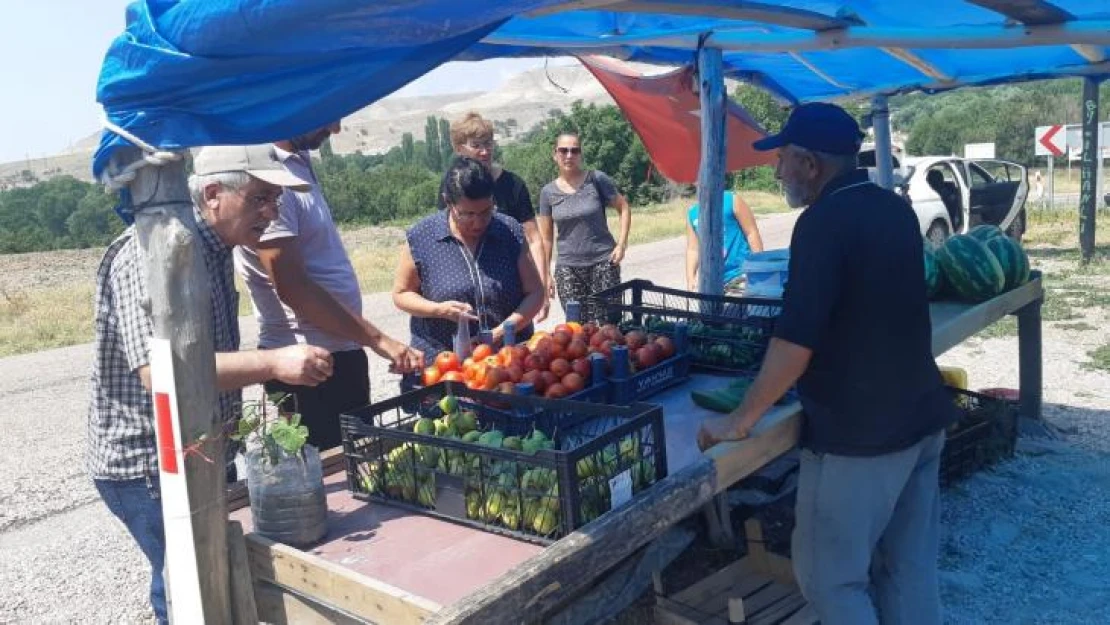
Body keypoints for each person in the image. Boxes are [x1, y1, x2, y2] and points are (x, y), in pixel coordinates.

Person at [696, 103, 959, 625]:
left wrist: (740, 419)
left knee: (830, 580)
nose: (777, 173)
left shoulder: (822, 222)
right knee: (907, 572)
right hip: (923, 417)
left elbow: (795, 344)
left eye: (785, 161)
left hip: (861, 437)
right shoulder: (894, 207)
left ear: (811, 165)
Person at [87, 144, 336, 625]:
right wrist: (273, 363)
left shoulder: (217, 248)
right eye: (260, 198)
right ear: (215, 194)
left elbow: (204, 354)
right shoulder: (152, 252)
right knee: (185, 584)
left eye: (275, 200)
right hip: (146, 460)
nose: (271, 212)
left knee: (210, 571)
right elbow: (161, 374)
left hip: (198, 446)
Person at [235, 123, 423, 451]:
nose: (335, 129)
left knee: (356, 463)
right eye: (330, 115)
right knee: (330, 471)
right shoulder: (270, 178)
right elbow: (292, 287)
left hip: (336, 351)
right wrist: (379, 340)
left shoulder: (298, 162)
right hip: (307, 362)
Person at [394, 156, 544, 372]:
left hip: (508, 364)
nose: (478, 222)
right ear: (448, 202)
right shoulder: (423, 237)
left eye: (486, 212)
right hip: (444, 367)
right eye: (467, 214)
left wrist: (501, 332)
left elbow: (535, 293)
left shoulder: (509, 231)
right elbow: (401, 294)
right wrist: (439, 310)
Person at [437, 112, 551, 321]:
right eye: (477, 145)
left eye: (488, 143)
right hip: (468, 297)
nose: (485, 151)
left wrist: (541, 289)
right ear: (459, 148)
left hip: (513, 292)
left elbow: (534, 239)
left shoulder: (513, 184)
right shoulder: (451, 185)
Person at [537, 132, 631, 324]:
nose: (569, 155)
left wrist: (621, 245)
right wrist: (546, 274)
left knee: (608, 326)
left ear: (580, 154)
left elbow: (624, 207)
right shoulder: (547, 193)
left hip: (604, 263)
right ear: (555, 154)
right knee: (577, 330)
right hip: (568, 268)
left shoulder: (597, 179)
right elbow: (546, 238)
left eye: (574, 150)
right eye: (563, 150)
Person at [685, 190, 764, 291]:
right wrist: (690, 279)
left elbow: (751, 233)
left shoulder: (731, 200)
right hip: (711, 282)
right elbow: (693, 249)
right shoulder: (693, 213)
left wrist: (759, 267)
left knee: (734, 306)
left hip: (740, 274)